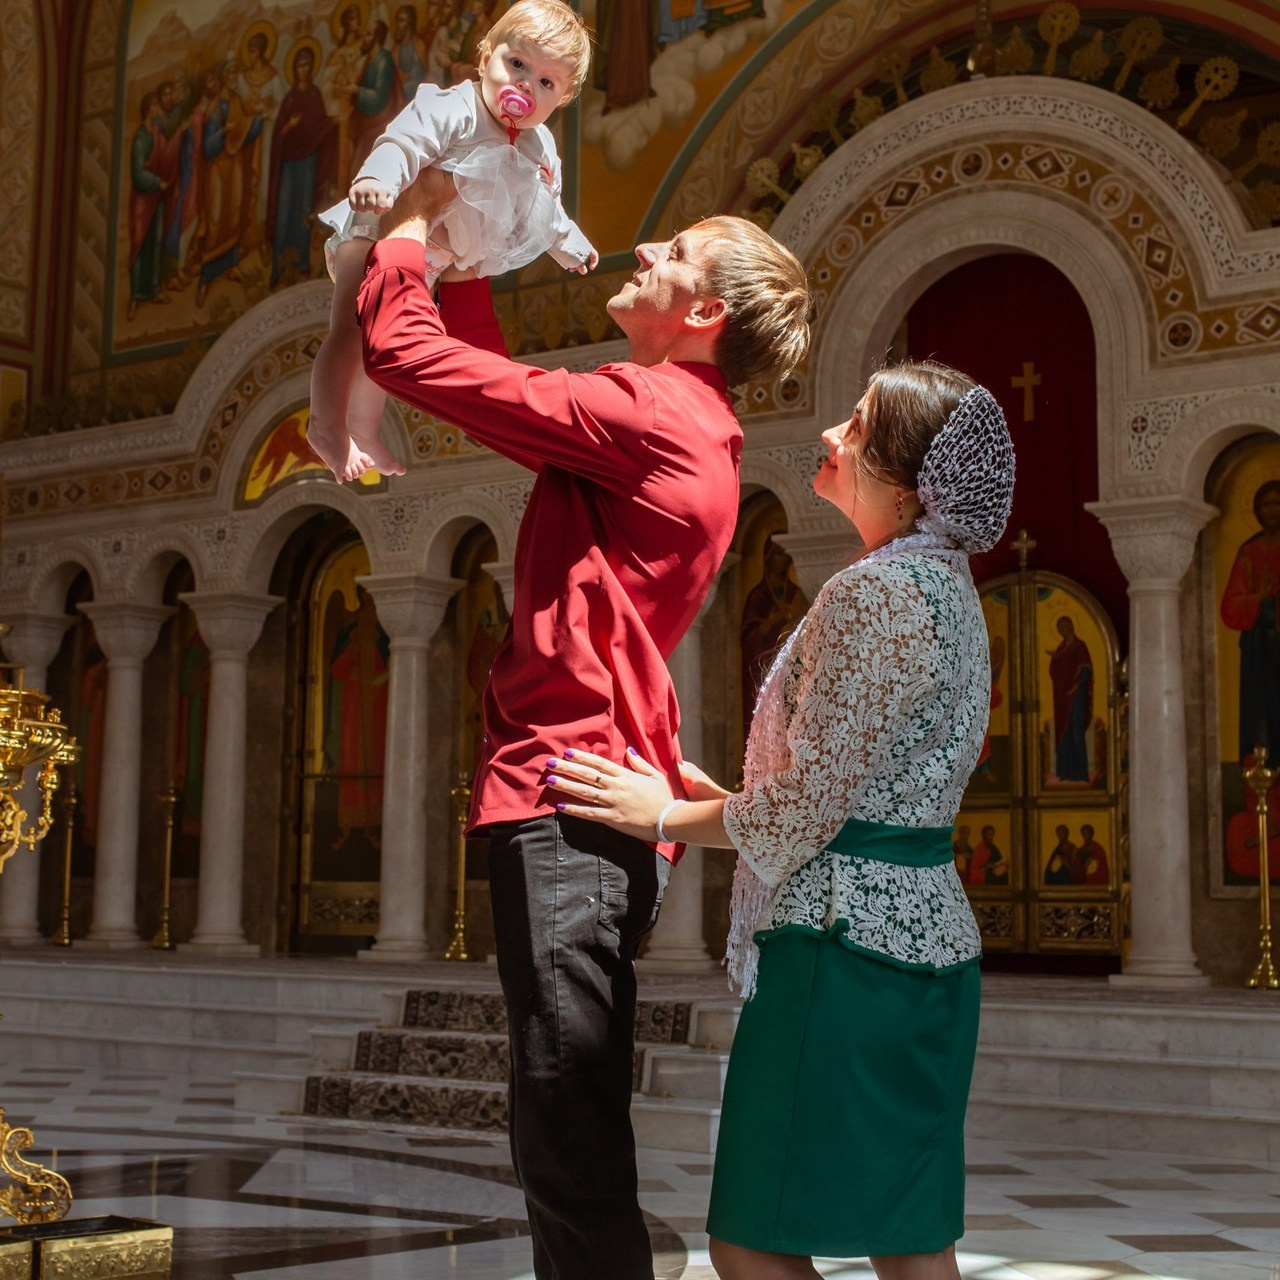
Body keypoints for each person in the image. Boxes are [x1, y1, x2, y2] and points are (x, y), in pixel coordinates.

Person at [357, 165, 810, 1276]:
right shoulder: (675, 418)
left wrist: (408, 233)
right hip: (582, 795)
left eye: (677, 252)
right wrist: (463, 265)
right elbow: (495, 379)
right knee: (563, 1117)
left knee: (566, 1123)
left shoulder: (651, 410)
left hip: (568, 801)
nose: (645, 249)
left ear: (702, 314)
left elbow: (404, 359)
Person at [548, 361, 1015, 1280]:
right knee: (911, 1242)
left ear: (904, 475)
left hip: (841, 954)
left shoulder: (874, 594)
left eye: (856, 422)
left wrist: (667, 815)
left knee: (753, 1241)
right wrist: (712, 794)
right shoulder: (947, 590)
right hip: (919, 946)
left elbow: (809, 812)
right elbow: (858, 794)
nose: (831, 436)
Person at [309, 0, 598, 483]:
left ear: (561, 99)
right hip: (378, 225)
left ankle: (363, 426)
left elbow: (545, 206)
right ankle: (325, 424)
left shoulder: (540, 146)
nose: (527, 84)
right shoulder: (454, 107)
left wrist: (568, 244)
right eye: (518, 64)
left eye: (547, 82)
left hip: (431, 256)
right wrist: (379, 178)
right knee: (351, 329)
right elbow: (404, 142)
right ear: (486, 58)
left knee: (384, 341)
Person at [1221, 478, 1280, 764]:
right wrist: (1259, 598)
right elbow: (1230, 607)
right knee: (1260, 719)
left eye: (1277, 503)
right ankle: (1261, 786)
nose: (1272, 510)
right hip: (1257, 647)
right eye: (1266, 504)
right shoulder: (1248, 552)